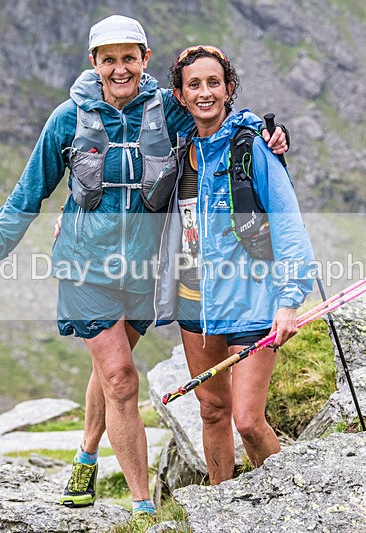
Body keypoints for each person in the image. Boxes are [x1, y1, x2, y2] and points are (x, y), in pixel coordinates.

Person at [0, 15, 289, 528]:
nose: (120, 67)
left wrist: (269, 134)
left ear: (145, 59)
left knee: (112, 364)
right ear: (94, 63)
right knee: (120, 377)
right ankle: (142, 509)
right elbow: (29, 192)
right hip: (86, 268)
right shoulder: (68, 118)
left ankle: (86, 450)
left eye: (130, 57)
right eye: (109, 58)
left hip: (146, 274)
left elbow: (214, 113)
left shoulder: (168, 110)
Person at [155, 45, 314, 485]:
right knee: (211, 411)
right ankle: (222, 510)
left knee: (247, 419)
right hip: (195, 306)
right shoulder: (178, 151)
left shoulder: (253, 148)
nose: (204, 92)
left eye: (213, 83)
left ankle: (288, 502)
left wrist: (289, 300)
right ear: (180, 96)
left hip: (252, 301)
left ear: (228, 90)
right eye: (194, 85)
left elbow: (287, 223)